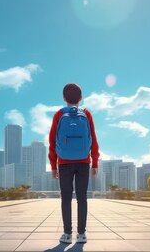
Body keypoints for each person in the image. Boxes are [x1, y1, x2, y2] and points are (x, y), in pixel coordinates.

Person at [48, 83, 100, 244]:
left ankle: (67, 234)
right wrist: (95, 162)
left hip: (64, 162)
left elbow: (52, 141)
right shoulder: (86, 113)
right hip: (84, 161)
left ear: (64, 98)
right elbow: (93, 138)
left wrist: (53, 165)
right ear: (81, 98)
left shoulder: (58, 114)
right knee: (82, 198)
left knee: (65, 198)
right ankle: (82, 234)